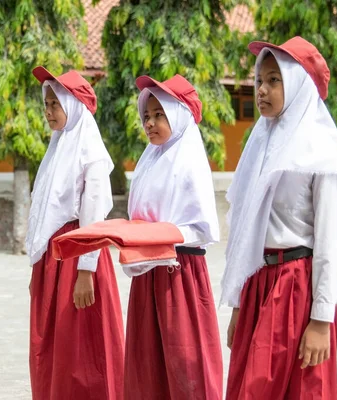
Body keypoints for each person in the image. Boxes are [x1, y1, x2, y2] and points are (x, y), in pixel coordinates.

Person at [222, 37, 337, 400]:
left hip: (297, 288)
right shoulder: (260, 145)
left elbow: (331, 241)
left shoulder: (320, 153)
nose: (262, 90)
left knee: (297, 391)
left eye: (274, 80)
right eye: (259, 81)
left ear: (297, 83)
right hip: (258, 285)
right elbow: (245, 231)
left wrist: (320, 320)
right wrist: (238, 303)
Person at [26, 66, 124, 400]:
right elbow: (43, 212)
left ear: (74, 106)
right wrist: (36, 268)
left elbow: (93, 215)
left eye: (56, 103)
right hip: (53, 262)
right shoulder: (57, 149)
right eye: (47, 103)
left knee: (81, 350)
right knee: (52, 347)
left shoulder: (90, 152)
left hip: (79, 258)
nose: (49, 111)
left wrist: (86, 270)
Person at [123, 74, 223, 400]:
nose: (150, 123)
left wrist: (163, 233)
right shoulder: (150, 161)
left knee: (187, 367)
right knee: (147, 366)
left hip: (181, 275)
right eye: (146, 116)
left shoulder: (189, 161)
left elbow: (203, 227)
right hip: (148, 273)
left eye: (159, 115)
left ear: (177, 115)